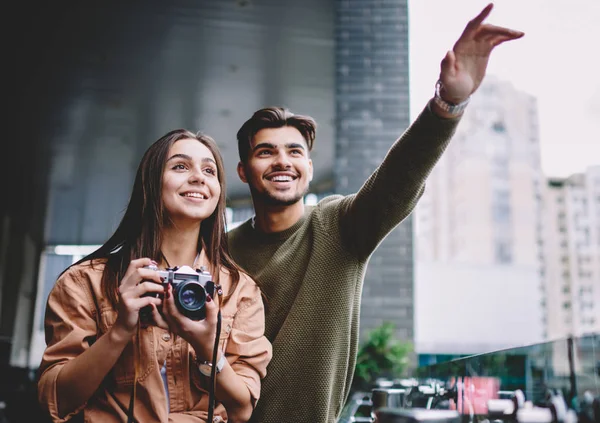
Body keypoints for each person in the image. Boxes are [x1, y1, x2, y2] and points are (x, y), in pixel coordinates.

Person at [227, 4, 524, 423]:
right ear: (244, 170)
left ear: (309, 168)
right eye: (265, 152)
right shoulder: (221, 250)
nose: (282, 161)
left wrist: (447, 104)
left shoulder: (337, 227)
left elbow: (396, 182)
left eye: (295, 151)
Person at [38, 130, 272, 423]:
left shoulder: (240, 290)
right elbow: (55, 402)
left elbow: (242, 410)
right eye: (180, 166)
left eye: (209, 170)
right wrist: (121, 329)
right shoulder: (85, 281)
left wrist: (206, 349)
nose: (199, 177)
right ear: (150, 183)